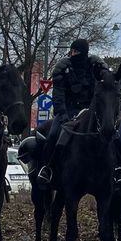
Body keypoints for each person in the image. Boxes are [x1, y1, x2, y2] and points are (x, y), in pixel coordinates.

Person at [36, 38, 110, 183]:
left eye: (76, 51)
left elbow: (102, 89)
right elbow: (58, 93)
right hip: (68, 111)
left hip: (91, 112)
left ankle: (115, 169)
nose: (73, 54)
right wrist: (62, 113)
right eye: (72, 51)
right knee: (53, 134)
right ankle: (47, 168)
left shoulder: (94, 67)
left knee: (111, 134)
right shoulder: (63, 68)